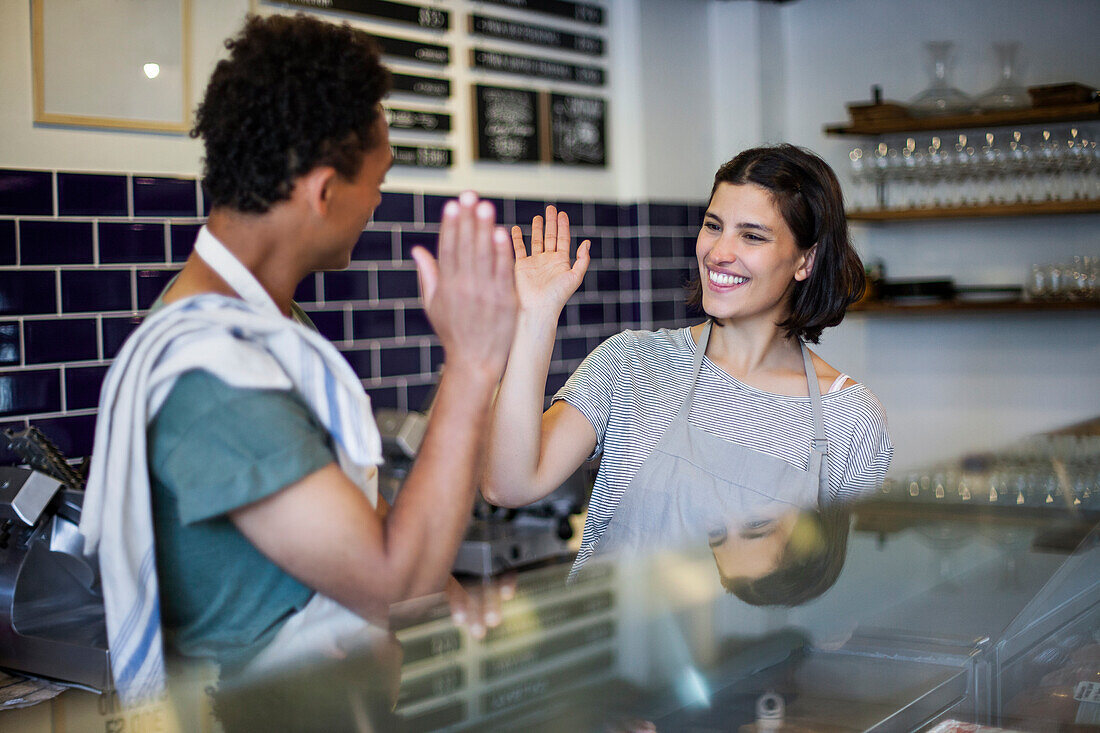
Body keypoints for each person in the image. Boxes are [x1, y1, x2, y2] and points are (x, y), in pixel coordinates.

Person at [80, 14, 517, 705]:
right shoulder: (214, 376)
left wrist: (467, 607)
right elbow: (395, 580)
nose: (378, 200)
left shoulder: (267, 332)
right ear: (323, 191)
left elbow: (370, 530)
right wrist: (471, 363)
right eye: (378, 179)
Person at [483, 144, 893, 579]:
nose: (719, 252)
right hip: (612, 643)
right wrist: (535, 318)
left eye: (752, 235)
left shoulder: (849, 418)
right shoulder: (632, 363)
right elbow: (507, 484)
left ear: (805, 260)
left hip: (756, 645)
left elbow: (840, 588)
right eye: (713, 226)